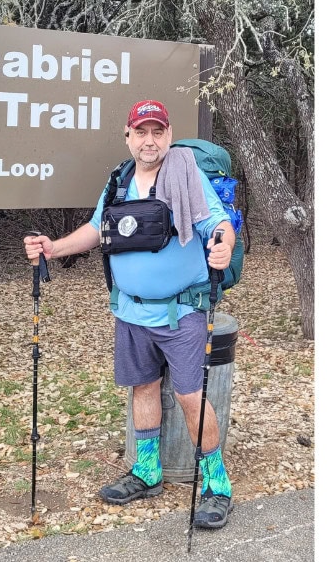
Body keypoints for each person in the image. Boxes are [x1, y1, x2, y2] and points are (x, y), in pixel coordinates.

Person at [23, 100, 236, 529]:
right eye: (141, 131)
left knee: (190, 396)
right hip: (131, 311)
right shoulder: (119, 180)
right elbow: (97, 228)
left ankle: (217, 486)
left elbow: (218, 221)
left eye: (157, 131)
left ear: (169, 135)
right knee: (142, 388)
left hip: (182, 312)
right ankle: (147, 471)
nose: (149, 140)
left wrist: (224, 243)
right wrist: (54, 247)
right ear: (128, 137)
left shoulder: (185, 174)